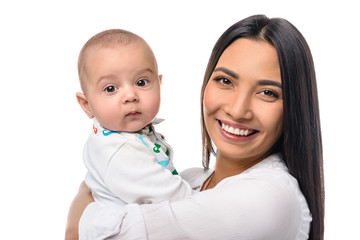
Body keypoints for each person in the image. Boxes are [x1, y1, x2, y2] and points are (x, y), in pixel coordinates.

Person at [66, 15, 324, 240]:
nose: (237, 110)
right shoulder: (190, 180)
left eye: (267, 92)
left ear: (294, 106)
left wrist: (80, 208)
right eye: (225, 80)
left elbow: (79, 233)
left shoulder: (269, 199)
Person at [75, 29, 193, 209]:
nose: (130, 96)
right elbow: (180, 200)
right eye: (110, 88)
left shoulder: (128, 134)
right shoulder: (119, 151)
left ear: (159, 85)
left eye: (141, 82)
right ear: (86, 105)